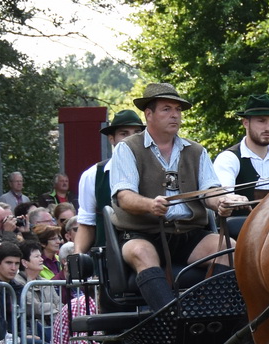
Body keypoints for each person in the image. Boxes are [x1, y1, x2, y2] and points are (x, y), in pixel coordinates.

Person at [106, 83, 233, 308]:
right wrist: (149, 205)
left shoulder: (196, 151)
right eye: (166, 109)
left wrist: (223, 201)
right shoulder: (128, 148)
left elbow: (211, 191)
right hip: (142, 233)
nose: (175, 115)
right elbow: (124, 196)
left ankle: (211, 314)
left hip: (188, 232)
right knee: (141, 252)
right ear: (149, 114)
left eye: (178, 110)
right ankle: (170, 319)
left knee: (230, 249)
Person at [213, 95, 269, 239]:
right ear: (245, 123)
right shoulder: (229, 158)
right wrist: (233, 199)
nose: (268, 127)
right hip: (238, 240)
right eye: (261, 121)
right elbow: (223, 197)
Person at [74, 108, 145, 253]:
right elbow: (87, 225)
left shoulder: (156, 170)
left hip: (150, 253)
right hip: (108, 261)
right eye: (124, 134)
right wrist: (77, 256)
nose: (131, 139)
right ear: (112, 139)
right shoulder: (93, 175)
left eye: (137, 133)